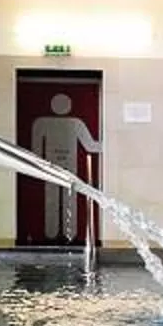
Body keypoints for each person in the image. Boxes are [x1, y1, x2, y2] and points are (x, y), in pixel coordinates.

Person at [25, 93, 102, 244]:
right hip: (52, 169)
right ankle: (54, 236)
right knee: (55, 200)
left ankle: (65, 236)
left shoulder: (72, 123)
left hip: (61, 169)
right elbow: (36, 151)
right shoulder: (43, 123)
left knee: (65, 200)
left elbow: (90, 145)